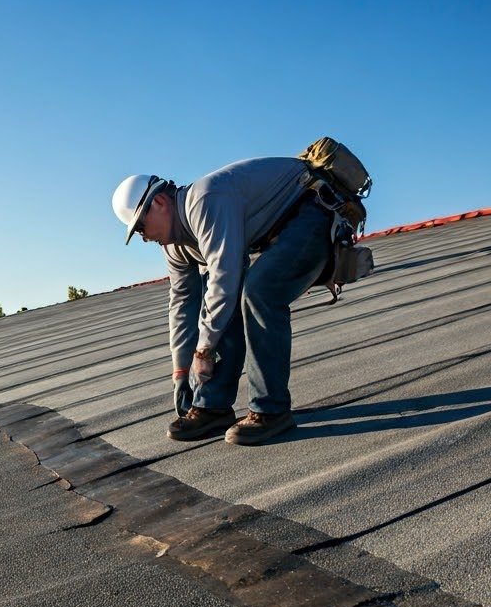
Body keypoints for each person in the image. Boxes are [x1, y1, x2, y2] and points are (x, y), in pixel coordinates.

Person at [112, 158, 333, 445]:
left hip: (311, 214)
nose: (142, 237)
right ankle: (211, 406)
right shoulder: (174, 247)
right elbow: (182, 303)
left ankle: (271, 410)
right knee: (219, 305)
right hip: (279, 232)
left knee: (258, 292)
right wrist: (180, 371)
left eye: (140, 226)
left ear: (160, 203)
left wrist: (203, 352)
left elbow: (225, 276)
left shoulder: (204, 201)